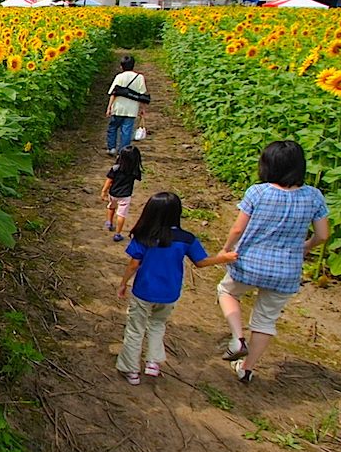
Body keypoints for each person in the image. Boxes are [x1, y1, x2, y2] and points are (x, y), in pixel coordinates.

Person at [218, 141, 329, 383]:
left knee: (226, 291)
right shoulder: (314, 196)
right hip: (286, 269)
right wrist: (306, 247)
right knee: (266, 320)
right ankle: (246, 368)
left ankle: (237, 338)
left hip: (250, 264)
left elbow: (238, 229)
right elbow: (323, 235)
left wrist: (226, 250)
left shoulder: (258, 192)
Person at [117, 192, 238, 385]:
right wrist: (222, 259)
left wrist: (123, 283)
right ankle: (153, 362)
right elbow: (201, 262)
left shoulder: (144, 235)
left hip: (144, 291)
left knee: (135, 329)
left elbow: (134, 264)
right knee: (157, 325)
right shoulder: (186, 239)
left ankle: (130, 369)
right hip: (169, 293)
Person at [106, 55, 146, 155]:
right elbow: (142, 95)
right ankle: (122, 153)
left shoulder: (119, 77)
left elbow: (113, 93)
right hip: (132, 109)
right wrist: (143, 109)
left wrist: (109, 107)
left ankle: (112, 148)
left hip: (118, 107)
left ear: (121, 66)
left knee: (113, 127)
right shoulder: (139, 77)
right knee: (126, 132)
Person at [101, 145, 142, 242]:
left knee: (111, 206)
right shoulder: (134, 170)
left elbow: (109, 181)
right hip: (125, 195)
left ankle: (109, 223)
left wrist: (103, 191)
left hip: (113, 193)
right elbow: (139, 177)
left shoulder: (116, 168)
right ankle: (117, 234)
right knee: (121, 215)